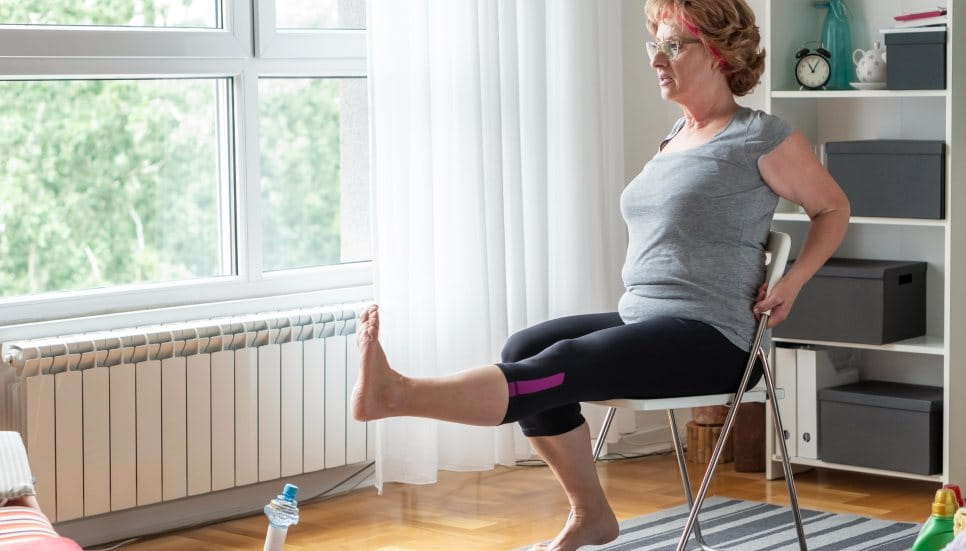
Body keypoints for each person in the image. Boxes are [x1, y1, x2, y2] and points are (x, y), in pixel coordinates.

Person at [350, 0, 850, 549]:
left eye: (673, 46)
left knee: (562, 366)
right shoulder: (674, 137)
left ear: (718, 53)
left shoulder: (760, 136)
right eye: (654, 45)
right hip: (644, 320)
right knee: (525, 345)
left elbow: (831, 208)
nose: (658, 59)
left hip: (717, 340)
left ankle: (398, 395)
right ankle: (591, 513)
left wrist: (793, 280)